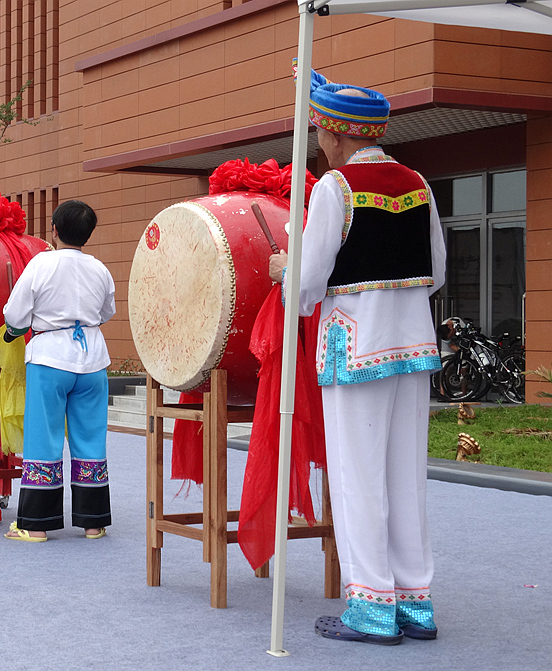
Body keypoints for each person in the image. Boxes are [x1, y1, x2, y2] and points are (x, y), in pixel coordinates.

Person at [269, 72, 446, 644]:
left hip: (355, 345)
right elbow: (437, 271)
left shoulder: (336, 187)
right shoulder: (418, 184)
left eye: (320, 132)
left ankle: (371, 607)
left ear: (335, 134)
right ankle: (415, 602)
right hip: (413, 346)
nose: (319, 141)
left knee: (358, 477)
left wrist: (284, 272)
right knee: (405, 478)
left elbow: (308, 280)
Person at [2, 200, 115, 542]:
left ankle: (36, 524)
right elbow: (106, 312)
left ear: (54, 229)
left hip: (50, 357)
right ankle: (93, 522)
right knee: (91, 438)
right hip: (92, 359)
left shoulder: (41, 263)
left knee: (44, 436)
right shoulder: (99, 268)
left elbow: (15, 315)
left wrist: (18, 328)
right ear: (88, 234)